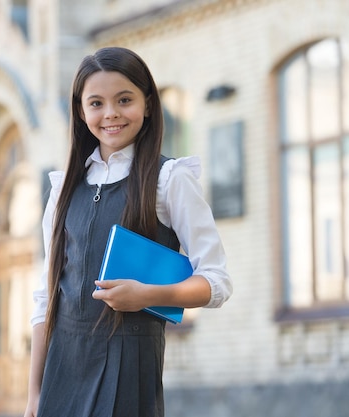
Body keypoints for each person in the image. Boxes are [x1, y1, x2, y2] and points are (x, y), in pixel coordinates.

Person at [23, 46, 233, 417]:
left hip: (130, 364)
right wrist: (34, 395)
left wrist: (148, 295)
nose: (111, 114)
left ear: (148, 104)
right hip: (62, 367)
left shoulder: (170, 179)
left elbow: (216, 282)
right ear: (80, 110)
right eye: (96, 103)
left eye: (124, 99)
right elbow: (45, 297)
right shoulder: (63, 187)